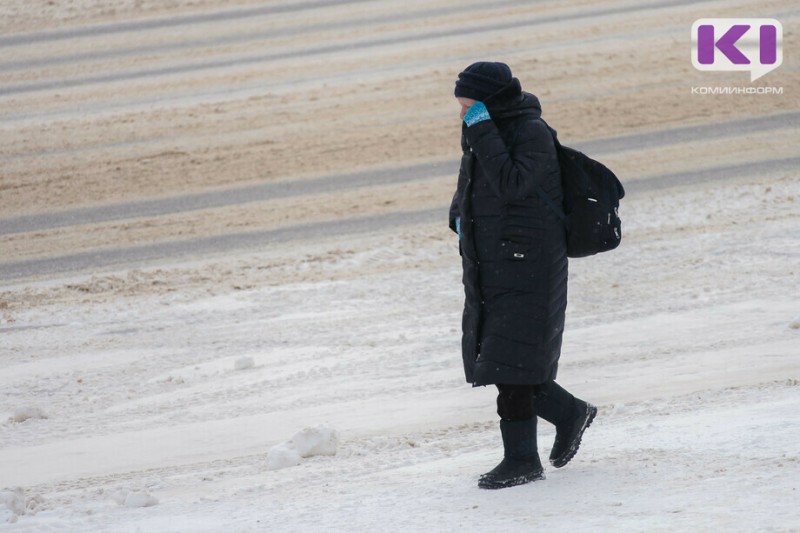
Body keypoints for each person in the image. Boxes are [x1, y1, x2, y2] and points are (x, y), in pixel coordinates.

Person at [449, 61, 597, 490]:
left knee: (510, 365)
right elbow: (471, 185)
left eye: (468, 105)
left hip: (529, 265)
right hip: (492, 262)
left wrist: (481, 129)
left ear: (488, 101)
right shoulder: (484, 132)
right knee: (503, 361)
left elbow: (513, 182)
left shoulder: (528, 131)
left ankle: (521, 460)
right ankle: (569, 414)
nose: (462, 114)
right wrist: (458, 217)